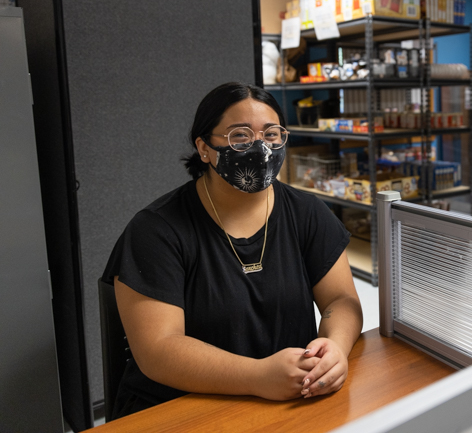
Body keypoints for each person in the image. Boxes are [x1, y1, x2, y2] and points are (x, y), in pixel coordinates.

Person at [102, 82, 362, 419]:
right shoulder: (157, 229)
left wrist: (336, 348)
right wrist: (258, 376)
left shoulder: (306, 212)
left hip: (289, 399)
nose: (261, 147)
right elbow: (158, 349)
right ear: (204, 148)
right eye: (240, 136)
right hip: (181, 409)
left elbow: (341, 300)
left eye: (272, 134)